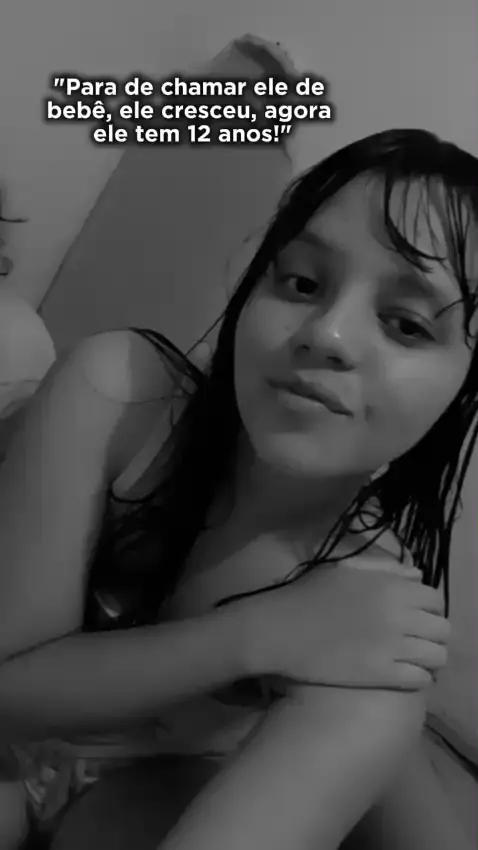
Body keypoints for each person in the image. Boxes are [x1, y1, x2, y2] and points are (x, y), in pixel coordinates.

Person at [0, 128, 476, 850]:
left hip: (152, 777)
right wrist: (255, 635)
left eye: (406, 324)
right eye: (302, 283)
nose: (329, 334)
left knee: (386, 696)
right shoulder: (120, 396)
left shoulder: (364, 600)